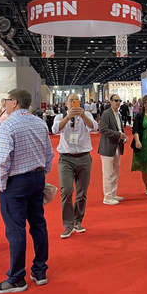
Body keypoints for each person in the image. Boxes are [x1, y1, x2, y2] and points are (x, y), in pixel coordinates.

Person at [0, 89, 54, 293]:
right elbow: (49, 154)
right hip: (37, 178)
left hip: (15, 182)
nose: (5, 103)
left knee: (15, 229)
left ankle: (17, 277)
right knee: (38, 224)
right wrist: (41, 173)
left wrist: (1, 184)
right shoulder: (39, 123)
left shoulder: (8, 125)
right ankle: (40, 270)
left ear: (15, 103)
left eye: (7, 100)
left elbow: (2, 160)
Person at [52, 93, 98, 239]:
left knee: (81, 192)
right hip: (66, 158)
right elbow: (55, 130)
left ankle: (78, 221)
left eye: (76, 100)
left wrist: (83, 115)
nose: (74, 103)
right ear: (66, 104)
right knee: (66, 190)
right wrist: (68, 117)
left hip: (84, 157)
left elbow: (95, 127)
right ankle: (68, 224)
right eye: (71, 100)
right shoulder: (60, 117)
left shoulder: (86, 115)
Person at [98, 94, 128, 205]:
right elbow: (103, 129)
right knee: (108, 173)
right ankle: (107, 196)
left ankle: (113, 193)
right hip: (107, 146)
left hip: (117, 146)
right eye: (116, 100)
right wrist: (118, 134)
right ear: (110, 101)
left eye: (119, 100)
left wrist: (123, 136)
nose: (118, 102)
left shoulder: (118, 114)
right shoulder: (106, 114)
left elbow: (119, 129)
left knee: (115, 172)